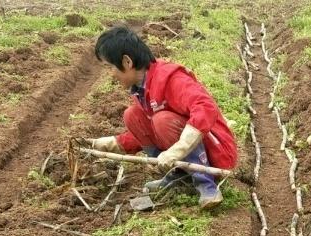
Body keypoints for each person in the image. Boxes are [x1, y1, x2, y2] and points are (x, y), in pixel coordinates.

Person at [89, 26, 237, 209]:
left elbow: (206, 107)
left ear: (127, 62)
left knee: (162, 120)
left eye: (110, 67)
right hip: (183, 150)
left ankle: (205, 183)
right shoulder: (142, 88)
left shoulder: (170, 78)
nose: (111, 74)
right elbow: (146, 131)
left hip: (215, 154)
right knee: (132, 115)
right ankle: (178, 174)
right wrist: (105, 143)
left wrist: (178, 150)